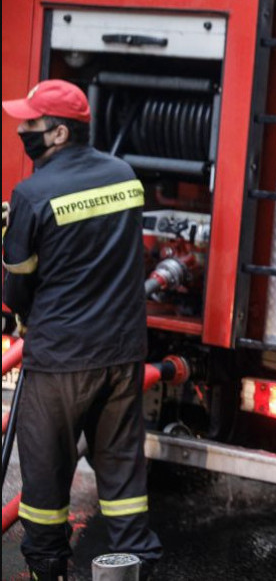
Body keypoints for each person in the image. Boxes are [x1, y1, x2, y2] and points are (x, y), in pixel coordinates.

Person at [2, 79, 162, 580]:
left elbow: (16, 286)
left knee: (46, 482)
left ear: (59, 133)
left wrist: (18, 311)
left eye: (31, 124)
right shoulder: (125, 177)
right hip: (121, 352)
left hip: (60, 360)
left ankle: (48, 569)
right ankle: (136, 566)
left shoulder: (30, 195)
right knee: (122, 474)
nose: (22, 130)